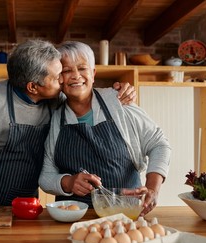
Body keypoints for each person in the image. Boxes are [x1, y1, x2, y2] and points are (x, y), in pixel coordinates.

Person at [0, 39, 136, 210]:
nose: (63, 81)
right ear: (33, 87)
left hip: (27, 203)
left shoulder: (55, 100)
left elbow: (84, 96)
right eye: (57, 77)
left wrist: (116, 93)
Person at [38, 41, 171, 216]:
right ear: (59, 78)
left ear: (93, 73)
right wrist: (68, 182)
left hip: (126, 212)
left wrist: (153, 189)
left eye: (82, 68)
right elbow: (46, 176)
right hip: (74, 216)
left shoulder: (119, 102)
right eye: (66, 70)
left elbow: (159, 144)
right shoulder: (56, 118)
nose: (75, 76)